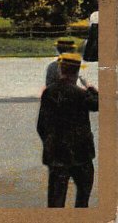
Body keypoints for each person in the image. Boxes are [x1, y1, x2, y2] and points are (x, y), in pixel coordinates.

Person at [37, 52, 99, 208]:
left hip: (57, 154)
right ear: (77, 72)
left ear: (60, 69)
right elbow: (98, 104)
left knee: (56, 201)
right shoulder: (81, 94)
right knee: (83, 198)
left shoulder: (49, 93)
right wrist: (90, 87)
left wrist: (50, 143)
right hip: (81, 154)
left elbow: (41, 126)